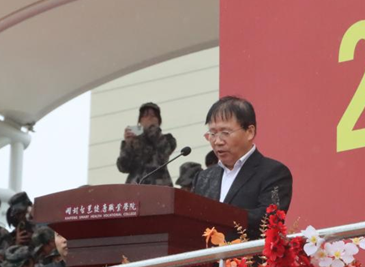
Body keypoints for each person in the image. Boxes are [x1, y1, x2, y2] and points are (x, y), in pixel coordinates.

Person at [192, 96, 293, 238]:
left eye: (225, 133)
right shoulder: (203, 178)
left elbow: (268, 220)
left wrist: (217, 214)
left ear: (249, 132)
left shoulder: (273, 173)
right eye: (212, 134)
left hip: (249, 252)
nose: (218, 141)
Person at [117, 102, 177, 186]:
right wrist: (128, 144)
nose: (149, 118)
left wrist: (151, 128)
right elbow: (123, 167)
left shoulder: (168, 139)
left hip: (159, 187)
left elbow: (164, 150)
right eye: (145, 115)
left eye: (153, 115)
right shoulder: (134, 142)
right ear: (140, 121)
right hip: (135, 187)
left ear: (158, 121)